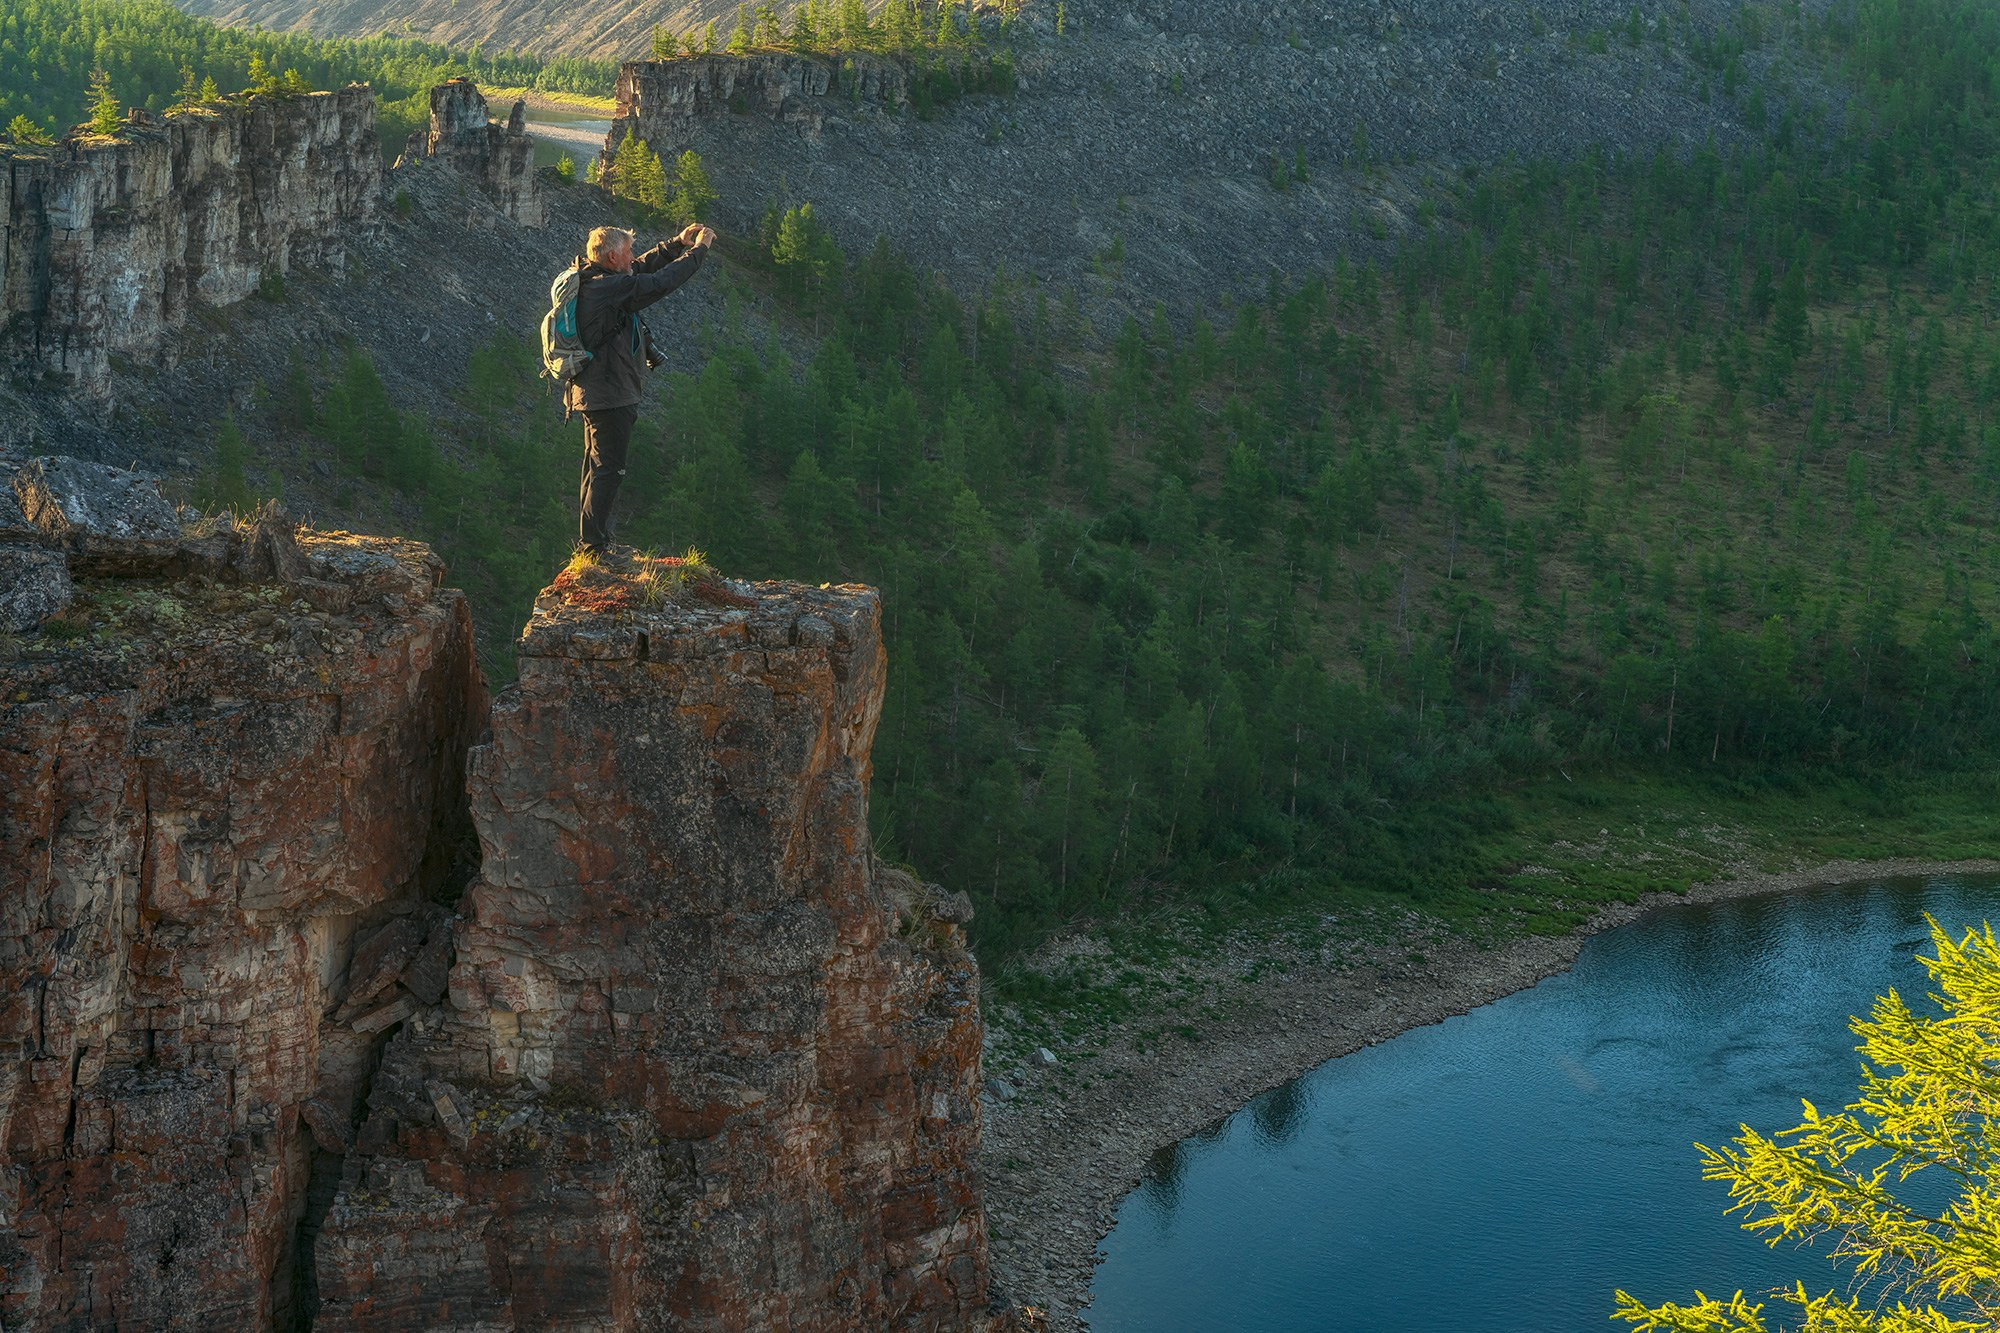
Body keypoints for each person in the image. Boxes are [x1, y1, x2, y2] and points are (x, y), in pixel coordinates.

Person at [568, 222, 715, 555]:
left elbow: (641, 270)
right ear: (612, 255)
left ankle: (592, 541)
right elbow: (658, 283)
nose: (633, 256)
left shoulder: (595, 279)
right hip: (610, 394)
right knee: (608, 470)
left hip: (595, 391)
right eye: (628, 251)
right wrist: (698, 251)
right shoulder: (608, 289)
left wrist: (676, 244)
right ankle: (593, 547)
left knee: (596, 468)